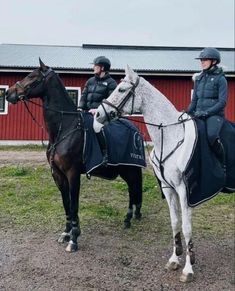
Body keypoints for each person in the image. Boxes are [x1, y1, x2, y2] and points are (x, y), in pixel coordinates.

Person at [187, 47, 228, 168]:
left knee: (211, 136)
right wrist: (187, 113)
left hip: (215, 116)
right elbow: (194, 100)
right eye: (201, 60)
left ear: (214, 61)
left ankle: (222, 162)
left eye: (205, 59)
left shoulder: (221, 79)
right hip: (198, 113)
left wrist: (206, 113)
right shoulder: (198, 79)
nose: (202, 62)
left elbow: (222, 102)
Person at [78, 56, 117, 164]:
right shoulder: (90, 81)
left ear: (102, 68)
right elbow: (84, 95)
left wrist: (98, 109)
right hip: (87, 112)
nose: (93, 68)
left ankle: (105, 154)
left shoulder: (111, 83)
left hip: (102, 114)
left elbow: (111, 101)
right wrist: (81, 107)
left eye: (95, 66)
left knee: (96, 127)